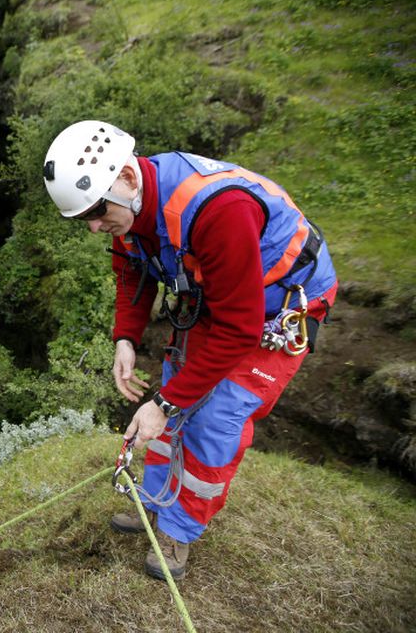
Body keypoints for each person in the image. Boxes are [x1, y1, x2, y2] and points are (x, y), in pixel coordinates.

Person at [42, 121, 337, 580]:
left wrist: (163, 403)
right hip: (219, 295)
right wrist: (126, 339)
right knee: (177, 388)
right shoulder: (130, 207)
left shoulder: (221, 210)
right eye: (84, 219)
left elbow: (239, 331)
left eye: (97, 212)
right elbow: (132, 274)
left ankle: (180, 530)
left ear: (128, 176)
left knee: (218, 415)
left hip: (278, 308)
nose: (96, 227)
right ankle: (157, 499)